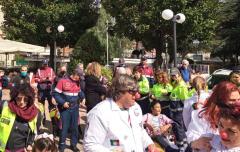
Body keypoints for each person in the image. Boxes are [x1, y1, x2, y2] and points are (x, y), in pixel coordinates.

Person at [83, 74, 156, 152]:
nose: (137, 96)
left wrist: (149, 143)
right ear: (120, 92)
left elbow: (140, 130)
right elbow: (90, 145)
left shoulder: (136, 107)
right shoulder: (99, 112)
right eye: (133, 92)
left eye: (137, 92)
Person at [186, 81, 240, 151]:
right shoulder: (201, 116)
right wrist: (196, 143)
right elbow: (191, 136)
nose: (237, 103)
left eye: (238, 99)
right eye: (232, 100)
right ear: (219, 100)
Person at [0, 84, 39, 152]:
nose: (22, 102)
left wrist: (30, 144)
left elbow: (33, 133)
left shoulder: (34, 113)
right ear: (14, 97)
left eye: (25, 99)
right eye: (19, 98)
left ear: (30, 99)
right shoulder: (4, 106)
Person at [52, 69, 83, 152]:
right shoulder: (63, 81)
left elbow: (79, 92)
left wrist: (83, 98)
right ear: (75, 74)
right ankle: (61, 146)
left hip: (75, 108)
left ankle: (73, 145)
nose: (79, 79)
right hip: (65, 109)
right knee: (64, 127)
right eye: (79, 77)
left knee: (75, 128)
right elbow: (55, 93)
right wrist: (62, 102)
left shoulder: (77, 82)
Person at [169, 68, 190, 150]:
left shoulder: (181, 85)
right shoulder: (176, 83)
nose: (173, 77)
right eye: (172, 75)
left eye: (175, 75)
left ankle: (183, 147)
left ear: (179, 75)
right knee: (177, 129)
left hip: (179, 111)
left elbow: (185, 99)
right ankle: (179, 145)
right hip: (174, 111)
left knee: (179, 129)